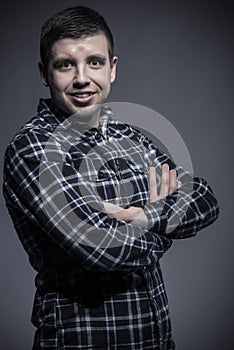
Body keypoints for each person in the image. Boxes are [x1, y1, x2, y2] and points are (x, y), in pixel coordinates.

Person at [3, 5, 219, 350]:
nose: (82, 78)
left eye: (95, 62)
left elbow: (206, 199)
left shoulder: (132, 137)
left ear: (112, 69)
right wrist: (165, 225)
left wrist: (148, 216)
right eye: (65, 65)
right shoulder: (33, 150)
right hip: (83, 343)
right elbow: (103, 249)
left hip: (156, 340)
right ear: (45, 73)